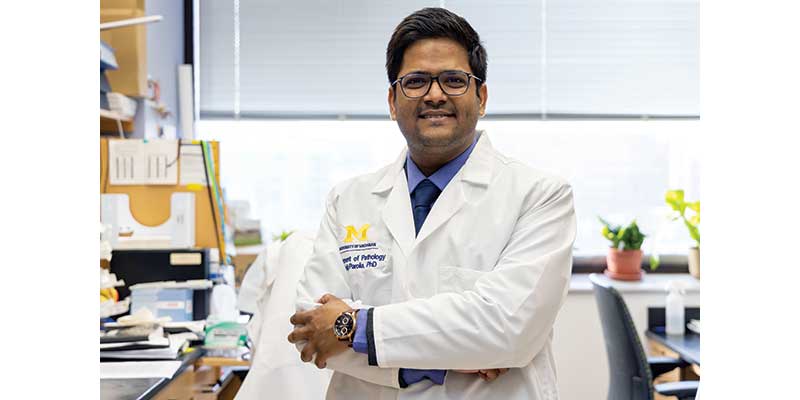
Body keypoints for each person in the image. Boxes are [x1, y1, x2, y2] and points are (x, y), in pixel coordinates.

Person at [288, 7, 576, 399]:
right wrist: (439, 359)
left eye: (454, 80)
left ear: (482, 96)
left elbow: (508, 328)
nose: (435, 94)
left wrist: (354, 329)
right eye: (417, 81)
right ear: (392, 101)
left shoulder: (540, 195)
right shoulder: (348, 199)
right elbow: (311, 328)